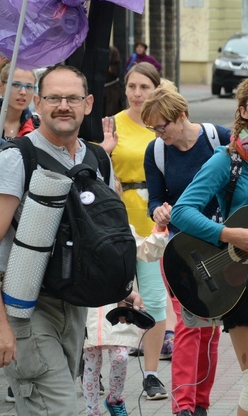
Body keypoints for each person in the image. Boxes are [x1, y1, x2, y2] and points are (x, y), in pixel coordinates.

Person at [0, 64, 143, 415]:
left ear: (88, 103)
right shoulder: (17, 159)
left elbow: (105, 231)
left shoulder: (97, 158)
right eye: (53, 98)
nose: (63, 105)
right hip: (23, 306)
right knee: (57, 407)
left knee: (61, 402)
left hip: (76, 304)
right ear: (37, 102)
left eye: (73, 98)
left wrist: (124, 287)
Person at [171, 73, 248, 416]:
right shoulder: (227, 160)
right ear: (243, 110)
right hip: (241, 281)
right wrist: (227, 234)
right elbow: (182, 211)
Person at [142, 85, 232, 416]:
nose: (158, 133)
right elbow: (155, 196)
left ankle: (201, 403)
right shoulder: (157, 151)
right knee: (186, 324)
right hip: (180, 250)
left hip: (219, 245)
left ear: (181, 117)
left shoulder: (217, 138)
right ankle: (183, 406)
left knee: (210, 330)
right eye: (153, 128)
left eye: (161, 126)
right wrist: (159, 211)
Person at [100, 62, 170, 401]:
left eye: (144, 87)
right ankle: (102, 370)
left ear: (155, 88)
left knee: (155, 300)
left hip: (154, 224)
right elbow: (100, 170)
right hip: (118, 222)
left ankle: (152, 374)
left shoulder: (163, 123)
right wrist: (105, 149)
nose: (138, 93)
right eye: (132, 87)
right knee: (108, 297)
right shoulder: (114, 123)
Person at [82, 221, 169, 416]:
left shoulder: (123, 226)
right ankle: (91, 411)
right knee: (91, 365)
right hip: (89, 309)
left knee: (120, 358)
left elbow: (145, 250)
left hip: (118, 308)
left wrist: (160, 228)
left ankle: (115, 399)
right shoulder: (80, 224)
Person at [0, 65, 38, 141]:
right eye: (15, 85)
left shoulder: (39, 127)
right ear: (1, 87)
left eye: (29, 87)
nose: (23, 92)